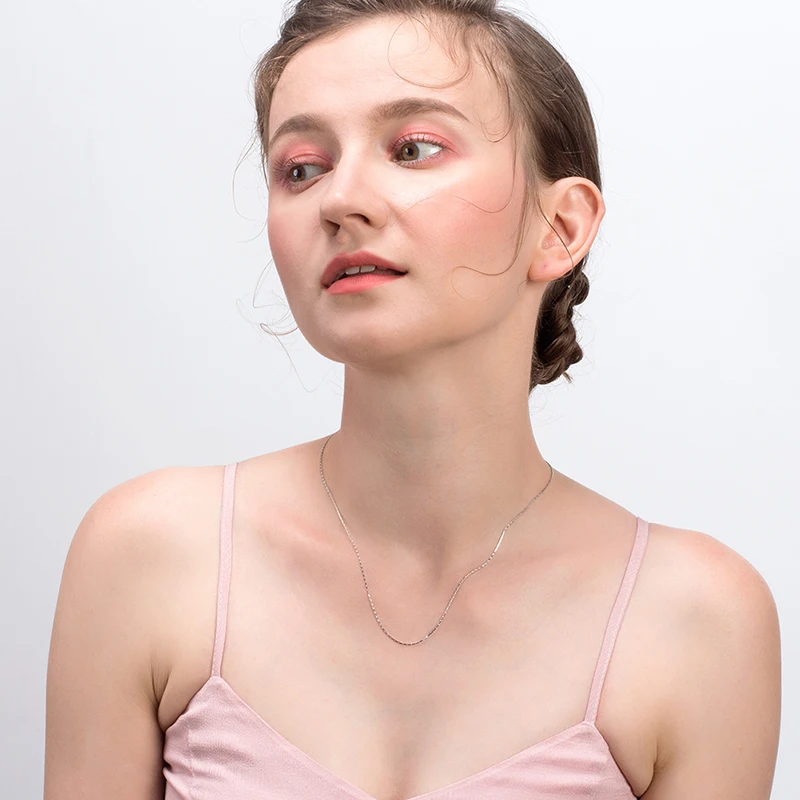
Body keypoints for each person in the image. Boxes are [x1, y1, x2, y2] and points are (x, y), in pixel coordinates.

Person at [44, 1, 782, 798]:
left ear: (561, 227)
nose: (339, 199)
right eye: (302, 167)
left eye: (413, 148)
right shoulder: (152, 558)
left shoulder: (698, 623)